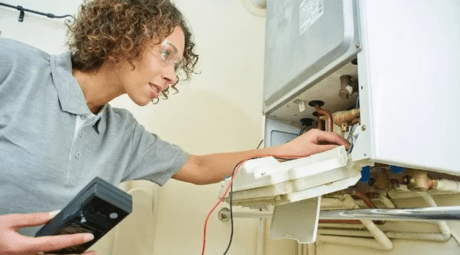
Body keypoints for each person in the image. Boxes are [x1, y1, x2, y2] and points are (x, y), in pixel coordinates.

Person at [0, 0, 350, 254]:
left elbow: (197, 166)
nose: (171, 76)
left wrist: (283, 151)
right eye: (166, 54)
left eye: (178, 64)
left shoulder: (122, 134)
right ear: (123, 36)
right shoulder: (14, 66)